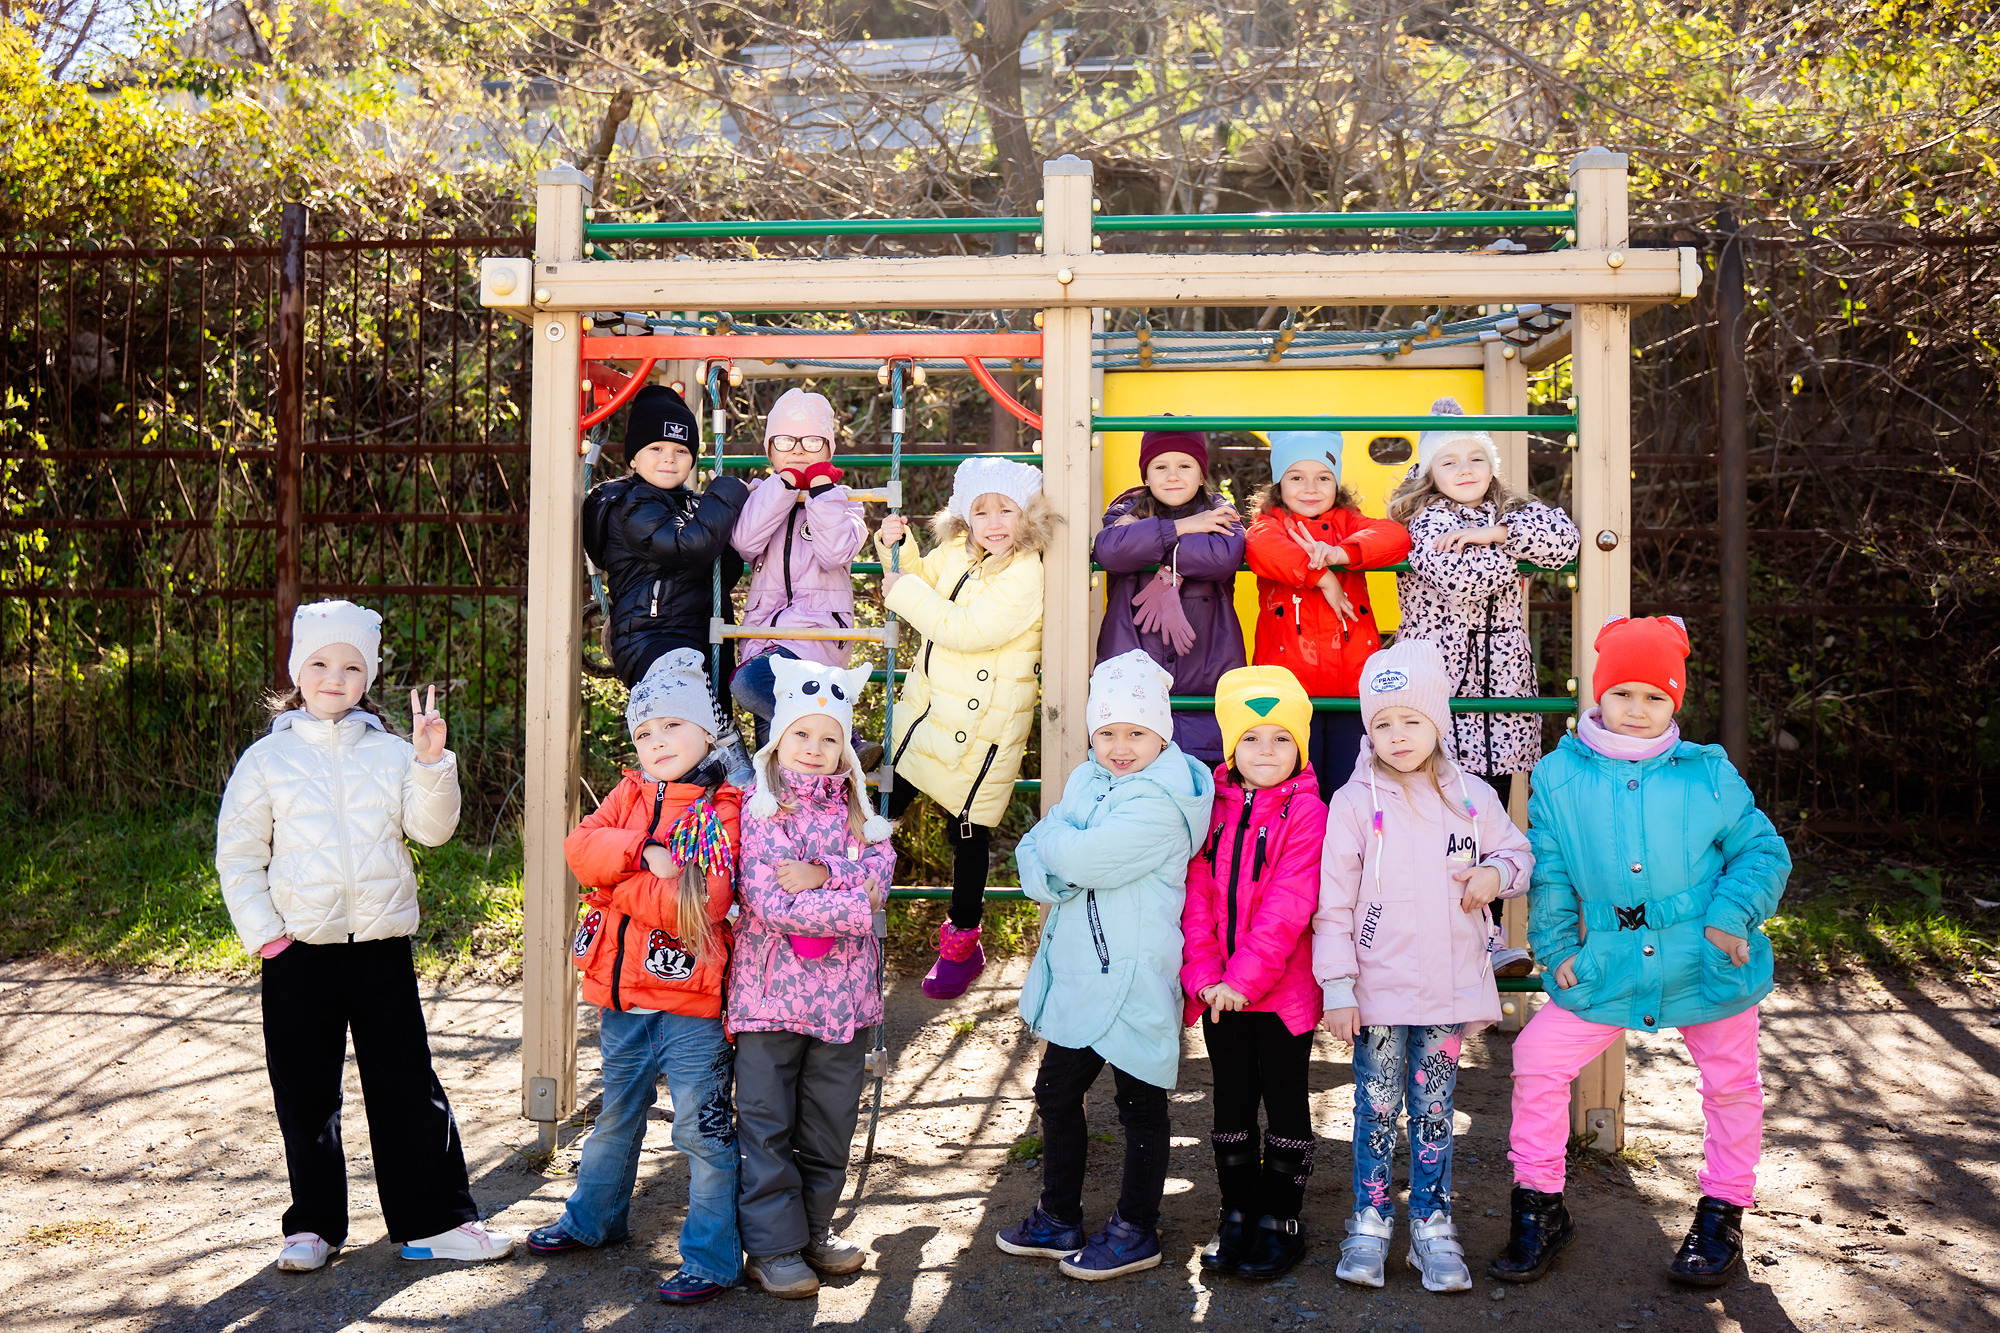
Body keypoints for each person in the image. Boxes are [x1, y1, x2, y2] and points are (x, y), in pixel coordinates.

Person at [1489, 616, 1791, 1289]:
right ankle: (1539, 1204)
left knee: (1732, 1083)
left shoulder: (1706, 773)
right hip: (1609, 963)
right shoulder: (1559, 775)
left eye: (1655, 696)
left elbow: (1762, 851)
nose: (1637, 708)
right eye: (1622, 692)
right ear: (1598, 693)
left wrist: (1730, 917)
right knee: (1537, 1058)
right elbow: (1551, 872)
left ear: (1675, 699)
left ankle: (1722, 1212)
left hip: (1706, 957)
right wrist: (1557, 948)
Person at [215, 599, 515, 1273]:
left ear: (369, 676)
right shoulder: (266, 760)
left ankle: (434, 1222)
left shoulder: (391, 752)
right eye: (320, 663)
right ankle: (312, 1226)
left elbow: (431, 831)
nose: (335, 677)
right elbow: (239, 854)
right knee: (306, 1094)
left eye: (352, 666)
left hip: (381, 948)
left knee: (406, 1084)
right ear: (297, 670)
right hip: (297, 953)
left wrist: (431, 763)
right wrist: (267, 936)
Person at [1314, 639, 1533, 1293]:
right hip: (1377, 990)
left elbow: (1518, 854)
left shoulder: (1471, 797)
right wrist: (1338, 985)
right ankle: (1370, 1221)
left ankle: (1433, 1225)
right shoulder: (1354, 803)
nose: (1398, 735)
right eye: (1383, 722)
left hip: (1446, 988)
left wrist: (1494, 875)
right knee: (1377, 1106)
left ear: (1437, 721)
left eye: (1411, 719)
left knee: (1434, 1108)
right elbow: (1334, 902)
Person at [525, 649, 742, 1304]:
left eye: (672, 725)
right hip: (621, 1001)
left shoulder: (721, 808)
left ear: (707, 731)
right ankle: (593, 1219)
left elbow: (697, 905)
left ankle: (711, 1257)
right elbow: (579, 848)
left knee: (701, 1132)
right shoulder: (628, 793)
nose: (657, 741)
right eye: (645, 732)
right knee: (615, 1116)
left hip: (690, 1007)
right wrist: (643, 852)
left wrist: (610, 888)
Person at [997, 651, 1215, 1281]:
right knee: (1056, 1090)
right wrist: (1059, 862)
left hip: (1132, 971)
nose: (1120, 747)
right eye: (1108, 732)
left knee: (1139, 1100)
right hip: (1080, 967)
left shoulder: (1164, 801)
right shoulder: (1087, 779)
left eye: (1136, 733)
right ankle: (1058, 1215)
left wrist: (1060, 856)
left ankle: (1135, 1228)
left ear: (1162, 734)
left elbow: (1078, 857)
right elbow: (1035, 850)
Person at [1388, 396, 1581, 976]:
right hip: (1445, 692)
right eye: (1449, 461)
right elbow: (1460, 578)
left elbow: (1565, 542)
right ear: (1430, 472)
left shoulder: (1508, 512)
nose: (1466, 469)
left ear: (1492, 465)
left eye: (1476, 457)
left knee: (1490, 816)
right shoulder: (1425, 519)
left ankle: (1486, 937)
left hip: (1501, 693)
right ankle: (1432, 939)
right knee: (1438, 812)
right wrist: (1511, 550)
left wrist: (1491, 532)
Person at [730, 656, 897, 1299]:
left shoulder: (860, 810)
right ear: (779, 738)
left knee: (829, 1122)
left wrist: (824, 874)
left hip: (843, 1003)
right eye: (801, 733)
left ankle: (813, 1232)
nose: (814, 748)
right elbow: (771, 900)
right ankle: (773, 1249)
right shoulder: (761, 807)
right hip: (770, 997)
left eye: (830, 738)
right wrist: (857, 904)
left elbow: (881, 877)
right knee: (767, 1124)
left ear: (845, 748)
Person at [874, 456, 1052, 999]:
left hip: (982, 729)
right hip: (928, 713)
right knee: (880, 811)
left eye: (1006, 510)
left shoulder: (1026, 571)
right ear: (965, 518)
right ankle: (847, 909)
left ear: (1027, 516)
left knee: (968, 832)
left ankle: (962, 941)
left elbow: (967, 630)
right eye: (981, 512)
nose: (994, 523)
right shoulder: (958, 551)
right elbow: (920, 580)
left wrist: (901, 591)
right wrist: (898, 547)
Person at [1179, 665, 1326, 1281]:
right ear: (1230, 746)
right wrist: (1206, 975)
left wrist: (1242, 981)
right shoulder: (1208, 809)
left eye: (1282, 738)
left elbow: (1289, 905)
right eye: (1252, 738)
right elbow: (1197, 898)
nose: (1267, 750)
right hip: (1220, 994)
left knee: (1286, 1101)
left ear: (1301, 746)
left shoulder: (1309, 812)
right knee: (1231, 1100)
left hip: (1281, 993)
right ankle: (1237, 1212)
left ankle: (1281, 1219)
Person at [1244, 428, 1411, 801]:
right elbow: (1261, 547)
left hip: (1351, 688)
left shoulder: (1348, 523)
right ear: (1279, 484)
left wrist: (1340, 554)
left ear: (1336, 484)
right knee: (1295, 790)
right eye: (1296, 478)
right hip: (1289, 689)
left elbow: (1396, 538)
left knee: (1349, 787)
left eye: (1323, 478)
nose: (1310, 488)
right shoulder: (1271, 524)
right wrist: (1323, 577)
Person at [728, 388, 878, 767]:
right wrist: (783, 487)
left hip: (816, 634)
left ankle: (841, 737)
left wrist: (821, 491)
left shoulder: (844, 500)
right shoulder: (762, 494)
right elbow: (744, 542)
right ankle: (829, 756)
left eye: (811, 442)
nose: (797, 450)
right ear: (770, 450)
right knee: (776, 753)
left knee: (749, 685)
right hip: (764, 633)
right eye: (785, 441)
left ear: (828, 450)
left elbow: (835, 552)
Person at [1093, 424, 1247, 766]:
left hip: (1205, 672)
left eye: (1185, 465)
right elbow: (1111, 551)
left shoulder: (1221, 510)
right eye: (1160, 466)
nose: (1173, 475)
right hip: (1132, 675)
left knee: (1204, 774)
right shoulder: (1124, 510)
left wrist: (1145, 541)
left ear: (1201, 474)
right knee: (1135, 772)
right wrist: (1184, 527)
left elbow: (1221, 557)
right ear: (1146, 476)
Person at [582, 383, 751, 689]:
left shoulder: (693, 504)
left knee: (714, 713)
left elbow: (724, 573)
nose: (669, 458)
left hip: (703, 637)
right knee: (679, 709)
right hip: (653, 640)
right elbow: (687, 547)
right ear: (633, 458)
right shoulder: (633, 504)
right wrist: (726, 495)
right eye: (656, 448)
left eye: (681, 450)